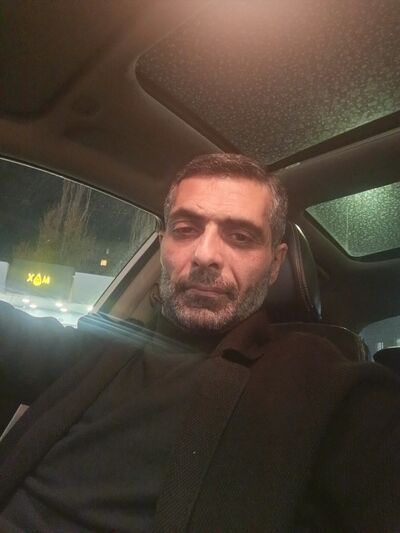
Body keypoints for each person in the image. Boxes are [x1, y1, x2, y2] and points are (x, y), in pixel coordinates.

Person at [0, 153, 399, 532]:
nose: (205, 255)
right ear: (163, 246)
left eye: (240, 236)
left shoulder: (318, 380)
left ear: (275, 264)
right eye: (185, 230)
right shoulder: (100, 347)